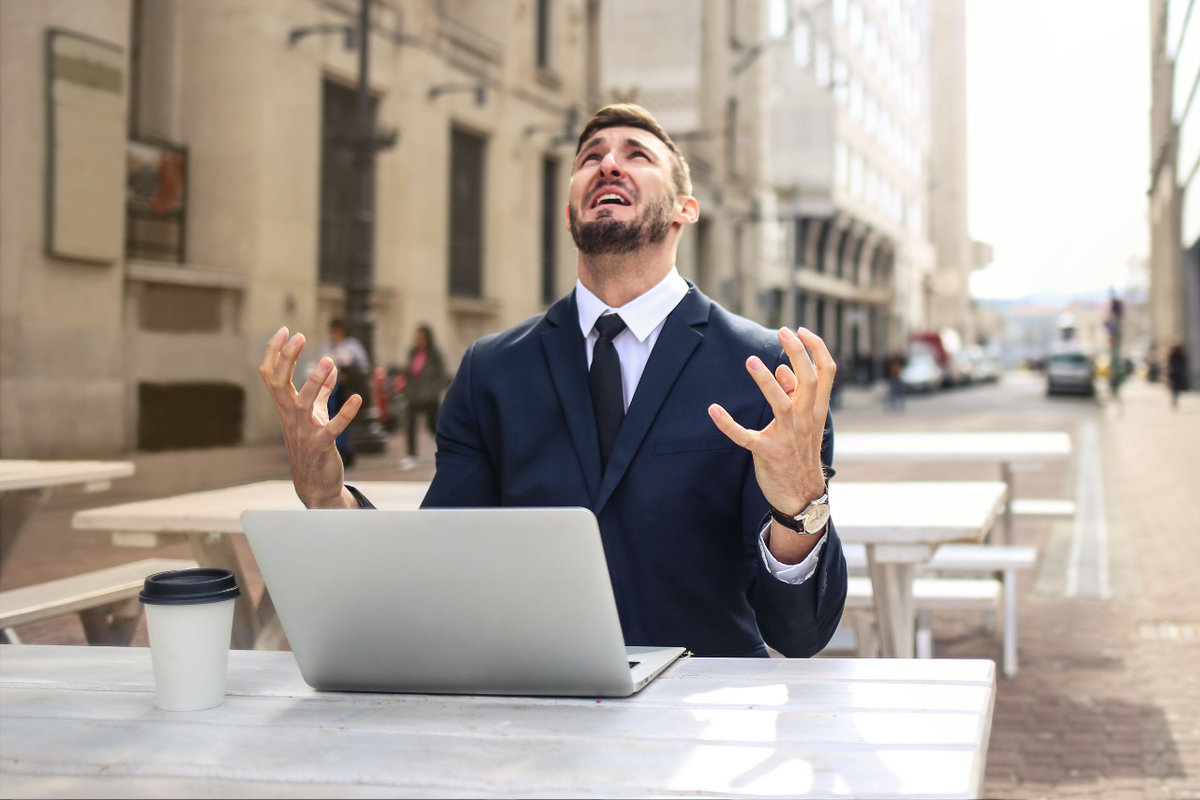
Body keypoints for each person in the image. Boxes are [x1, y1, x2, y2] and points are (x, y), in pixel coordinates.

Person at [259, 104, 847, 658]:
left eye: (636, 154)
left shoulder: (769, 370)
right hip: (533, 714)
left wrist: (800, 504)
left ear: (684, 210)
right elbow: (435, 571)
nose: (608, 163)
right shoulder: (491, 371)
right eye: (590, 156)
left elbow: (798, 632)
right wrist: (326, 498)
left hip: (699, 724)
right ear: (569, 214)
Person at [317, 318, 371, 468]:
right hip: (331, 389)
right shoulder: (328, 346)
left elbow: (363, 366)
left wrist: (349, 369)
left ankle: (345, 450)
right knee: (330, 418)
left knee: (344, 419)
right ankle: (334, 449)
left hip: (346, 389)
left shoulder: (352, 346)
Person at [398, 324, 448, 470]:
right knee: (410, 425)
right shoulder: (413, 352)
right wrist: (405, 389)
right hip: (413, 396)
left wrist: (433, 391)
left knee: (433, 426)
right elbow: (408, 372)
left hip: (429, 397)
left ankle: (446, 451)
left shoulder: (435, 354)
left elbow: (442, 376)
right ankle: (411, 456)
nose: (418, 340)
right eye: (417, 337)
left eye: (421, 337)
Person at [1166, 338, 1188, 410]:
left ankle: (1175, 399)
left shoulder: (1180, 354)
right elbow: (1169, 363)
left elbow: (1184, 363)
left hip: (1177, 374)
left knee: (1176, 388)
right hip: (1174, 373)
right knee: (1174, 388)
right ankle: (1174, 400)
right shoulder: (1172, 354)